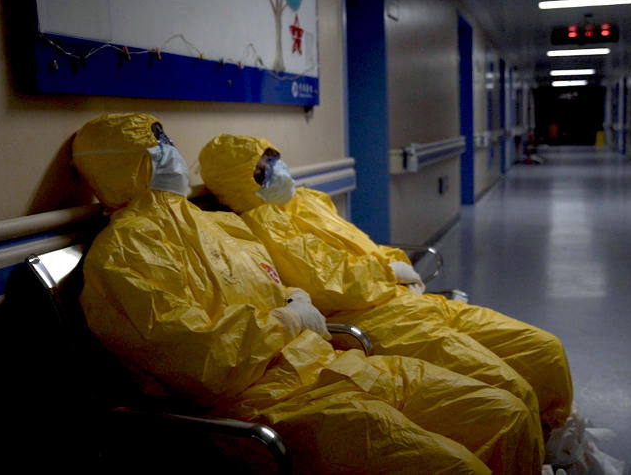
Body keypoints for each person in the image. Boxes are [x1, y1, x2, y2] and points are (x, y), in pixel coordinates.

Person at [72, 113, 544, 474]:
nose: (172, 153)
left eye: (168, 140)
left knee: (504, 413)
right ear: (123, 166)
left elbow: (276, 284)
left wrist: (294, 302)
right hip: (267, 406)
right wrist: (288, 320)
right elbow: (195, 357)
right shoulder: (123, 255)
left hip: (332, 366)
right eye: (159, 147)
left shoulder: (222, 226)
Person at [199, 134, 574, 436]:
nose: (278, 171)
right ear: (240, 184)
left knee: (544, 349)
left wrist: (393, 262)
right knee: (512, 393)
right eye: (263, 172)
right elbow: (329, 283)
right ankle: (534, 451)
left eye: (274, 159)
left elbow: (363, 247)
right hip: (379, 320)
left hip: (407, 302)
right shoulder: (260, 230)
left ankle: (553, 440)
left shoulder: (308, 203)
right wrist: (387, 272)